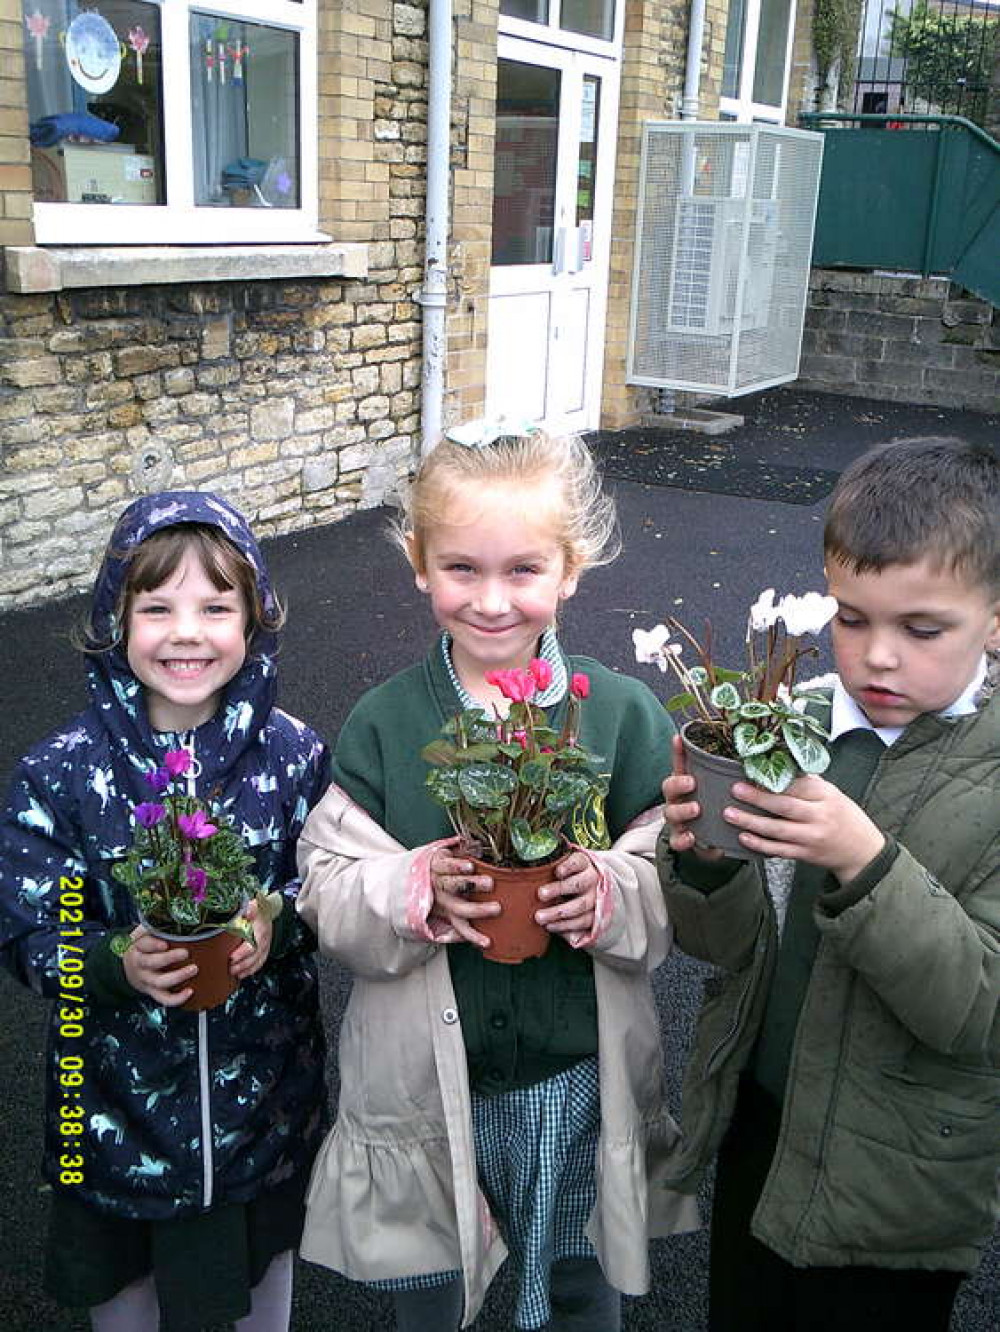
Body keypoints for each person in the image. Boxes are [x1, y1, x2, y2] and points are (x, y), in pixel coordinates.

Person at [295, 425, 698, 1330]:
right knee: (433, 1291)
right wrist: (408, 889)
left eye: (523, 570)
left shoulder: (621, 718)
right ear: (420, 565)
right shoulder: (385, 723)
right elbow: (323, 885)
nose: (491, 601)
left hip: (577, 1078)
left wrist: (608, 890)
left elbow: (670, 882)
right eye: (462, 569)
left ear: (570, 570)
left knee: (576, 1284)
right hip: (427, 1087)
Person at [658, 436, 1000, 1332]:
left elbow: (976, 1011)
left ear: (995, 620)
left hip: (900, 1174)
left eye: (922, 629)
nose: (878, 657)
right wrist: (704, 857)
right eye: (852, 619)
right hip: (766, 1124)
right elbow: (721, 949)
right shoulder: (787, 729)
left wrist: (864, 858)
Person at [0, 492, 330, 1332]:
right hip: (112, 1112)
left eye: (216, 607)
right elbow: (30, 930)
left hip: (263, 1100)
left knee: (261, 1276)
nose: (187, 633)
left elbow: (331, 880)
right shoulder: (61, 773)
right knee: (126, 1296)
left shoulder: (294, 755)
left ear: (255, 617)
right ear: (117, 618)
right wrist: (114, 962)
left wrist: (278, 920)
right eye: (158, 608)